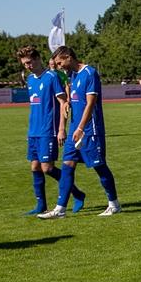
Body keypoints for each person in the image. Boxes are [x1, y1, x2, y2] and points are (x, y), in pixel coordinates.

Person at [39, 46, 118, 219]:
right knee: (67, 165)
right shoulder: (72, 76)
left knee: (99, 166)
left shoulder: (90, 73)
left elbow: (90, 104)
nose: (59, 67)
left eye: (60, 63)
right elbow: (73, 97)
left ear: (68, 57)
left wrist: (81, 128)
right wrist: (67, 104)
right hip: (75, 129)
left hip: (90, 130)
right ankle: (60, 209)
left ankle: (113, 204)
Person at [18, 45, 80, 215]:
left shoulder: (52, 77)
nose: (28, 66)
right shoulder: (30, 80)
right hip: (34, 132)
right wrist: (29, 131)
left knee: (47, 168)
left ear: (38, 59)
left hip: (48, 130)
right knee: (35, 167)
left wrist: (61, 129)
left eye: (30, 62)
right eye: (25, 64)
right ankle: (41, 206)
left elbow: (63, 104)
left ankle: (76, 193)